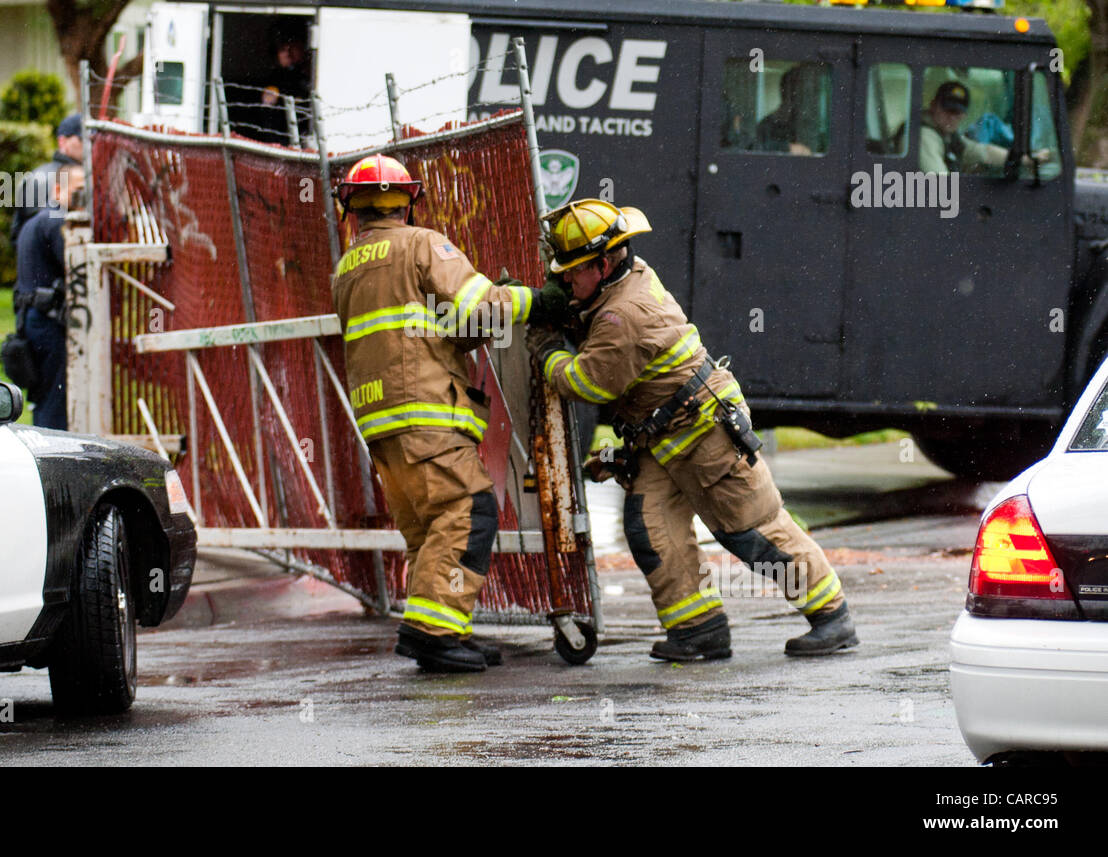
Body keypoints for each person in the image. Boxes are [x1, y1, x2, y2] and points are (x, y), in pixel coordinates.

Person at [526, 199, 858, 660]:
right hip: (662, 437)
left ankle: (831, 616)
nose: (564, 280)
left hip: (706, 433)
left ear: (603, 265)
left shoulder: (624, 317)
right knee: (650, 526)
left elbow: (583, 382)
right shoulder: (628, 275)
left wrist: (545, 347)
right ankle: (699, 629)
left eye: (572, 272)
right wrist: (564, 303)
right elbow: (591, 315)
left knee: (752, 531)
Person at [330, 153, 560, 673]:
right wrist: (536, 301)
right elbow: (481, 305)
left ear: (353, 206)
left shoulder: (346, 269)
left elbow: (423, 328)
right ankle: (432, 631)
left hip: (382, 426)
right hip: (427, 415)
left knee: (429, 530)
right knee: (470, 509)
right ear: (407, 201)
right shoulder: (421, 244)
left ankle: (447, 627)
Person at [14, 162, 84, 429]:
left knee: (46, 397)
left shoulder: (37, 220)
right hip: (50, 323)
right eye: (78, 190)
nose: (84, 197)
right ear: (58, 190)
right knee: (56, 401)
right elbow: (77, 270)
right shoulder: (57, 221)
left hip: (36, 320)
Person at [919, 81, 1050, 175]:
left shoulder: (948, 136)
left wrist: (1025, 159)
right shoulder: (925, 136)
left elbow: (983, 152)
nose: (952, 117)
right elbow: (941, 187)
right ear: (933, 106)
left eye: (957, 112)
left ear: (964, 115)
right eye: (948, 110)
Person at [11, 112, 83, 248]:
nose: (89, 145)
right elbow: (34, 236)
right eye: (82, 139)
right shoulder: (42, 179)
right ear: (62, 142)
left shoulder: (85, 176)